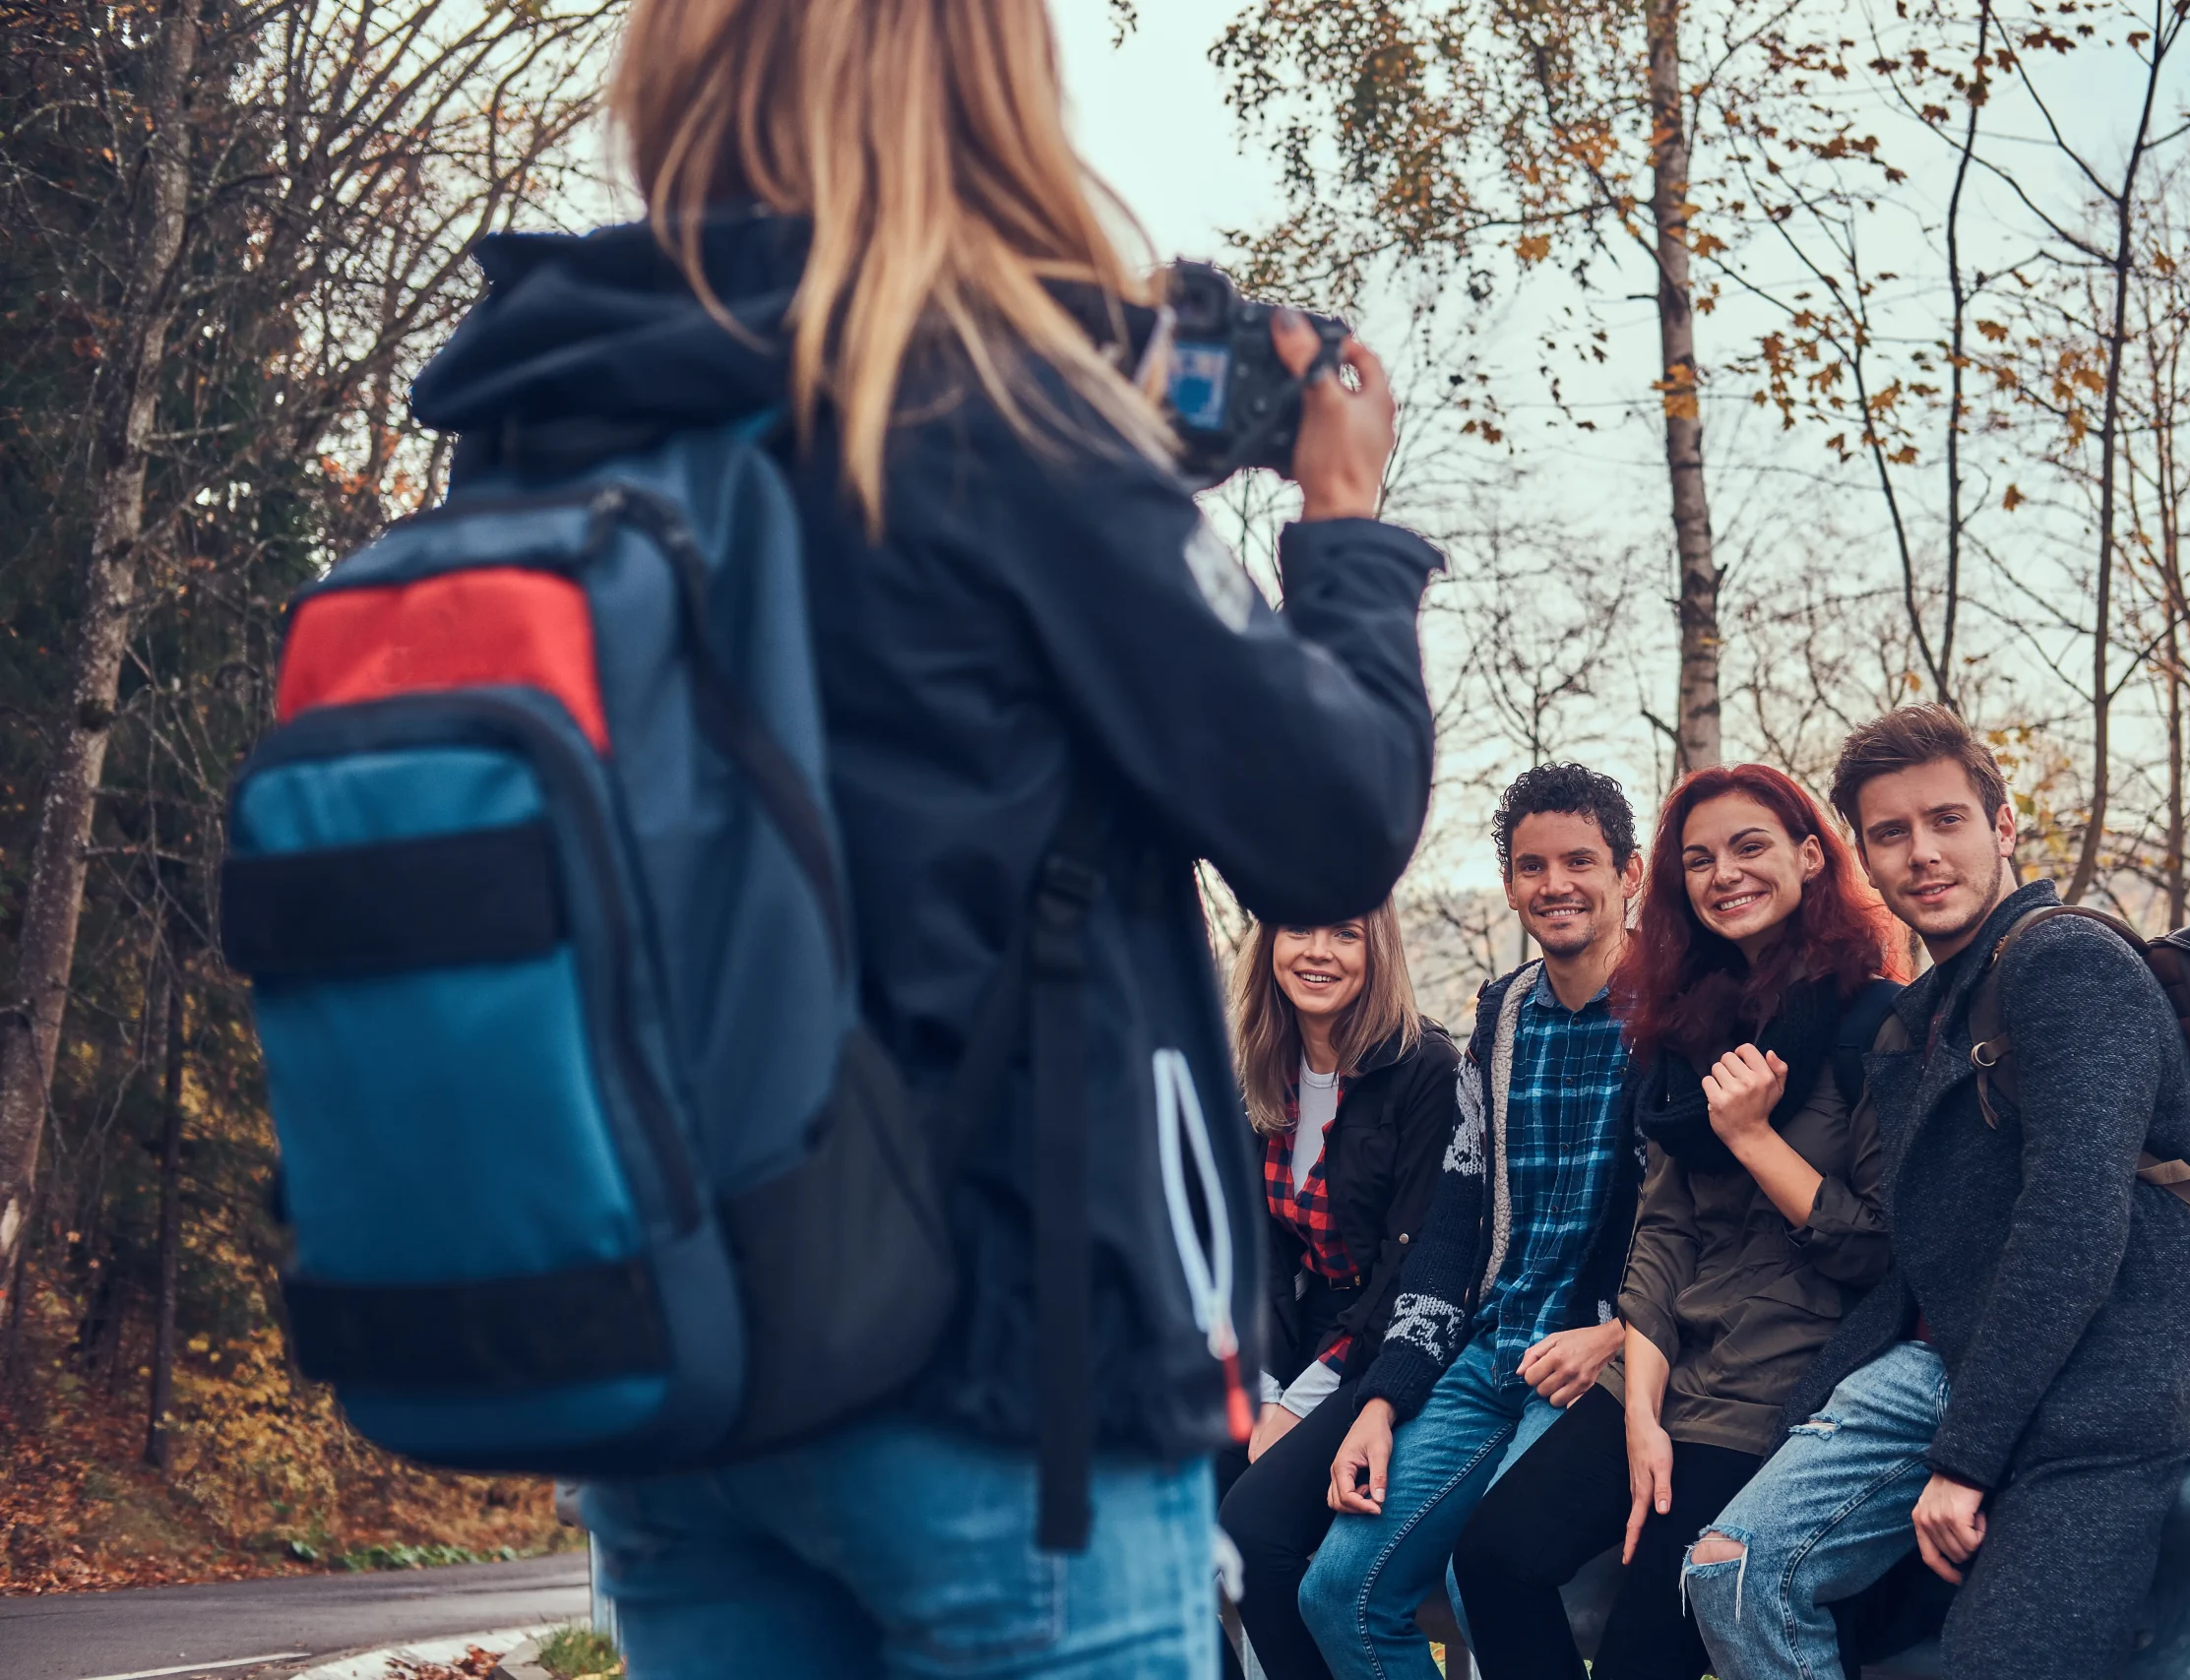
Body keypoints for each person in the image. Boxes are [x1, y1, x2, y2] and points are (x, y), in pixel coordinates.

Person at [403, 3, 1444, 1675]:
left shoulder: (548, 408)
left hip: (676, 1343)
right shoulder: (1004, 415)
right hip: (1003, 1362)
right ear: (989, 89)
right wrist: (1343, 522)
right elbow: (1327, 824)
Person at [1686, 706, 2190, 1680]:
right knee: (1733, 1570)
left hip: (2100, 1391)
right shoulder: (1923, 1010)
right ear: (1861, 854)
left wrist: (1966, 1458)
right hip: (1954, 1367)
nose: (1921, 854)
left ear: (2003, 826)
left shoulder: (2067, 963)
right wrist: (1818, 1407)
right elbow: (1922, 1246)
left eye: (1946, 821)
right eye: (1889, 833)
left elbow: (2073, 1221)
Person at [1450, 765, 1906, 1680]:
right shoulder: (1687, 1025)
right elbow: (1662, 1234)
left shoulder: (1874, 1021)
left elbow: (1878, 1246)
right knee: (1494, 1555)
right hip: (1665, 1370)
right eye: (1698, 858)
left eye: (1749, 847)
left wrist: (1749, 1136)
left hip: (1779, 1387)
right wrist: (1641, 1411)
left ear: (1810, 856)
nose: (1723, 873)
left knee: (1635, 1658)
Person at [1293, 764, 1643, 1680]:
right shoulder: (1502, 1016)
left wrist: (1618, 1330)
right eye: (1533, 866)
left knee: (1485, 1567)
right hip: (1487, 1354)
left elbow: (1702, 1227)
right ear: (1510, 883)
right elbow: (1452, 1227)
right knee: (1338, 1593)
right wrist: (1383, 1398)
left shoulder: (1677, 1016)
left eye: (1581, 861)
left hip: (1596, 1365)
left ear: (1630, 876)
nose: (1556, 884)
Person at [1216, 905, 1462, 1680]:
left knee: (1255, 1530)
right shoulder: (1260, 1060)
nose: (1318, 951)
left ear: (1376, 947)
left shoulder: (1424, 1067)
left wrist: (1302, 1400)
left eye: (1345, 933)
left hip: (1391, 1340)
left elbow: (1414, 1256)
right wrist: (1261, 1388)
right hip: (1293, 1330)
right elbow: (1250, 1246)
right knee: (1155, 1509)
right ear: (1270, 945)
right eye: (1299, 929)